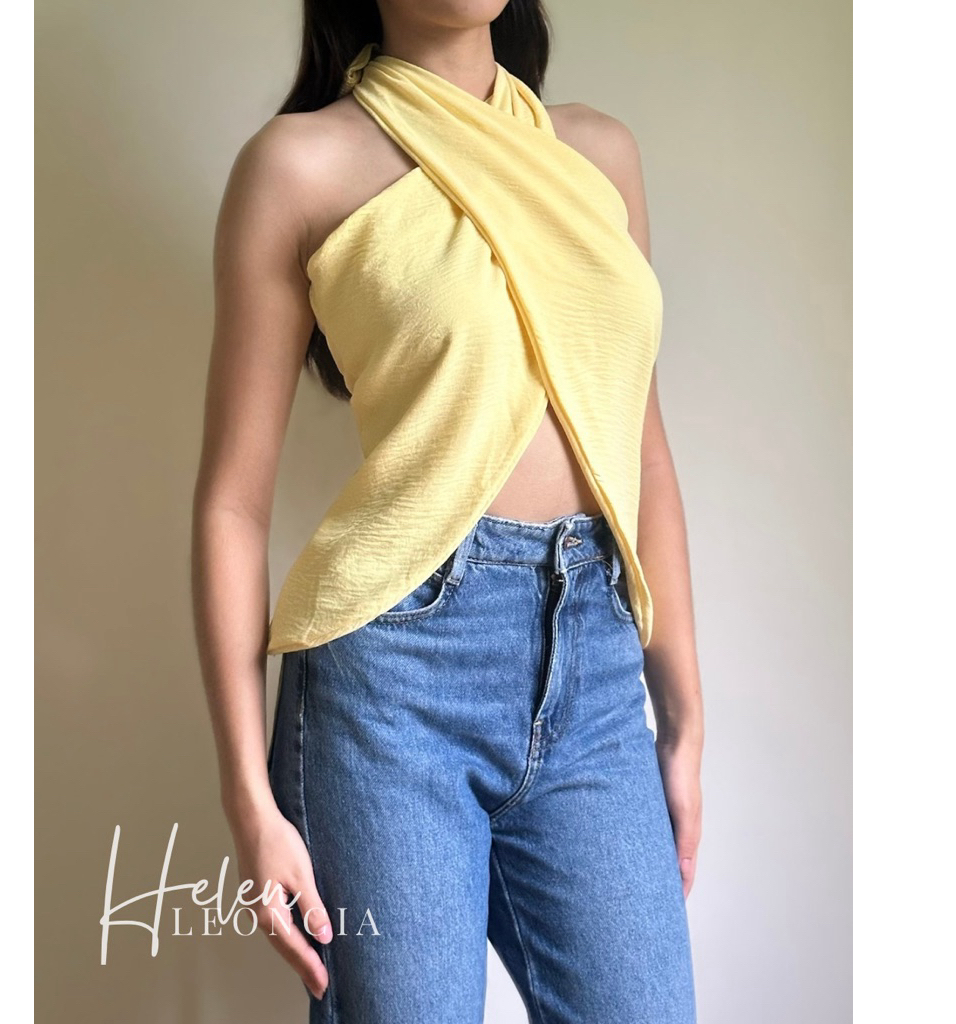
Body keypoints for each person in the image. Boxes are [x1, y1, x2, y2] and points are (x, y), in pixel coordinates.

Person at [191, 3, 704, 1022]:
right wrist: (247, 796)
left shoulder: (600, 155)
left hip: (597, 676)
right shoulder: (295, 167)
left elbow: (641, 452)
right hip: (393, 690)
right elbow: (233, 505)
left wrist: (685, 715)